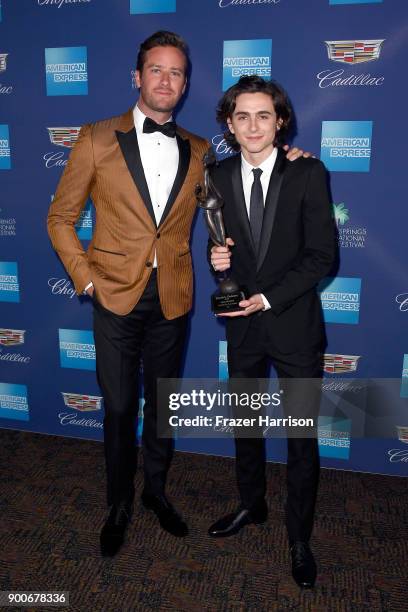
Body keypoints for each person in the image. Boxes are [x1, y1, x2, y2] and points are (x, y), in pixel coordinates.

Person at [47, 31, 306, 558]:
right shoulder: (96, 137)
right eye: (157, 70)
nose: (167, 80)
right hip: (114, 295)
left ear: (186, 84)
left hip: (173, 296)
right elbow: (59, 218)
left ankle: (156, 494)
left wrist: (291, 156)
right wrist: (87, 278)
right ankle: (117, 504)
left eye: (177, 73)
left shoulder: (202, 149)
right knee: (120, 407)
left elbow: (246, 178)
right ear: (137, 77)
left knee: (163, 406)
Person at [208, 75, 335, 588]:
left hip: (295, 327)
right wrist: (218, 263)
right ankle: (250, 504)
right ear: (230, 125)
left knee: (301, 439)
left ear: (280, 121)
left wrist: (267, 297)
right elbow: (225, 252)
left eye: (264, 115)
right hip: (243, 329)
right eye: (242, 116)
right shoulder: (215, 176)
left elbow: (323, 256)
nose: (253, 125)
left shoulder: (308, 173)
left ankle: (299, 537)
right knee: (246, 427)